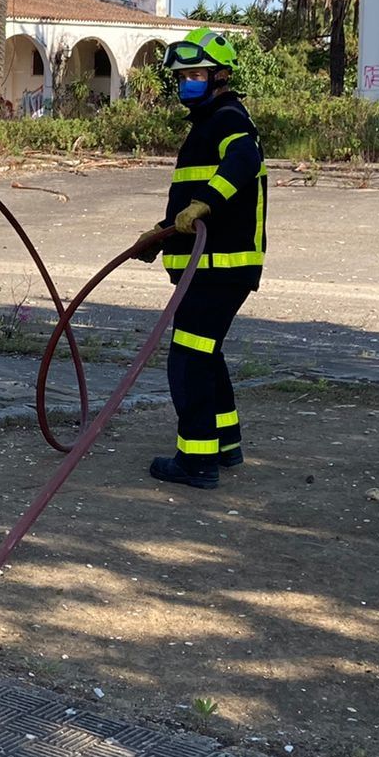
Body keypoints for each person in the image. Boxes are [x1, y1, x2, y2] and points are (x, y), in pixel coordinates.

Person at [132, 27, 268, 488]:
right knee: (205, 355)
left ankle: (196, 461)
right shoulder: (208, 123)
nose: (186, 82)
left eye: (195, 73)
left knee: (187, 360)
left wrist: (205, 202)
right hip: (210, 266)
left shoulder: (229, 118)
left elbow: (243, 162)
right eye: (182, 75)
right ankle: (225, 444)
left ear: (220, 75)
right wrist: (163, 236)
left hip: (222, 266)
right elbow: (186, 208)